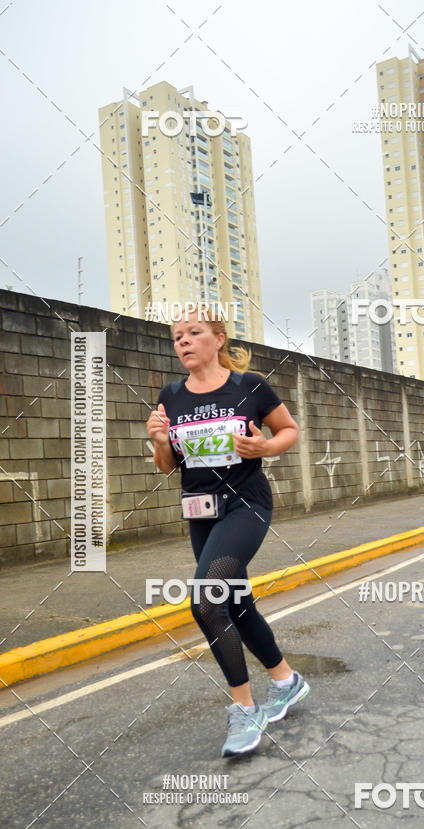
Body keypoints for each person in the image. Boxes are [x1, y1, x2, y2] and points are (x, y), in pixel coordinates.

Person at [145, 305, 310, 757]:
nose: (183, 341)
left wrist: (266, 446)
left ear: (218, 339)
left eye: (193, 332)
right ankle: (286, 680)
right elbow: (168, 466)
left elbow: (289, 430)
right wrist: (161, 442)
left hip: (246, 504)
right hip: (200, 511)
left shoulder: (249, 386)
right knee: (236, 604)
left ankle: (244, 707)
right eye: (177, 335)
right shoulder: (171, 395)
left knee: (207, 599)